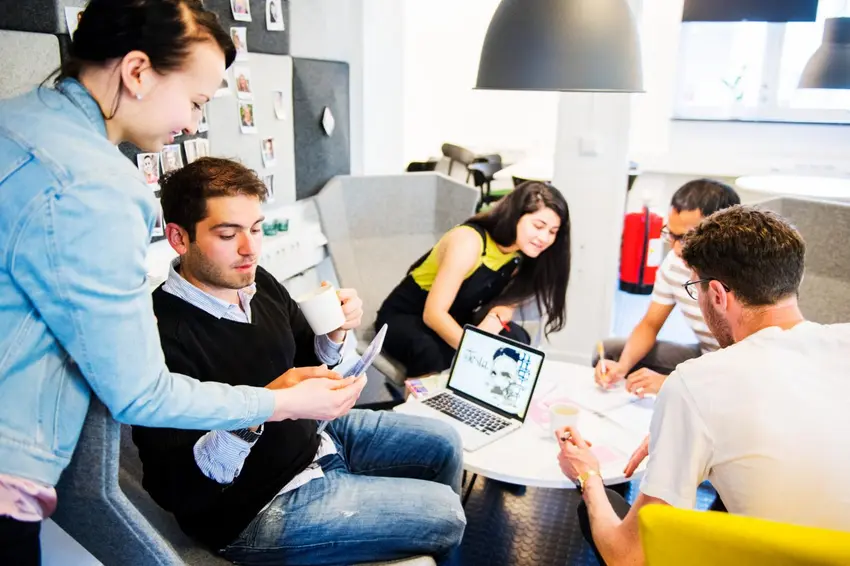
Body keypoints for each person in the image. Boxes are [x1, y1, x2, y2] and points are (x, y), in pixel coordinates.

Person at [0, 1, 363, 563]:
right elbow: (140, 392)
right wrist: (277, 402)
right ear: (137, 71)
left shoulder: (16, 125)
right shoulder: (97, 186)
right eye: (195, 101)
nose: (193, 124)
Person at [133, 157, 466, 565]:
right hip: (257, 506)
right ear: (179, 238)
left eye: (256, 229)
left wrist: (333, 333)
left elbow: (306, 358)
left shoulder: (256, 283)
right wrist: (263, 407)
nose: (250, 249)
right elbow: (175, 489)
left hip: (314, 438)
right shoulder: (158, 336)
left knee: (445, 443)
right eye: (228, 234)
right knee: (447, 514)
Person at [557, 206, 850, 566]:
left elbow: (629, 557)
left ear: (717, 294)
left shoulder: (695, 383)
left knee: (606, 505)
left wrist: (587, 475)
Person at [377, 181, 571, 376]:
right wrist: (475, 352)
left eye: (552, 232)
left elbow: (507, 303)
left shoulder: (523, 255)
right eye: (538, 226)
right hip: (408, 316)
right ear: (515, 216)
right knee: (429, 351)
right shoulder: (469, 241)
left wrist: (494, 320)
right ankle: (420, 396)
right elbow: (433, 314)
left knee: (514, 339)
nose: (544, 238)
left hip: (456, 316)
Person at [593, 179, 740, 397]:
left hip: (738, 372)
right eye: (671, 234)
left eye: (687, 237)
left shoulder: (743, 275)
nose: (676, 248)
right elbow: (650, 324)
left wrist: (671, 383)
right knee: (611, 351)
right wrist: (622, 367)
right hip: (705, 355)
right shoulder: (673, 263)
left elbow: (749, 365)